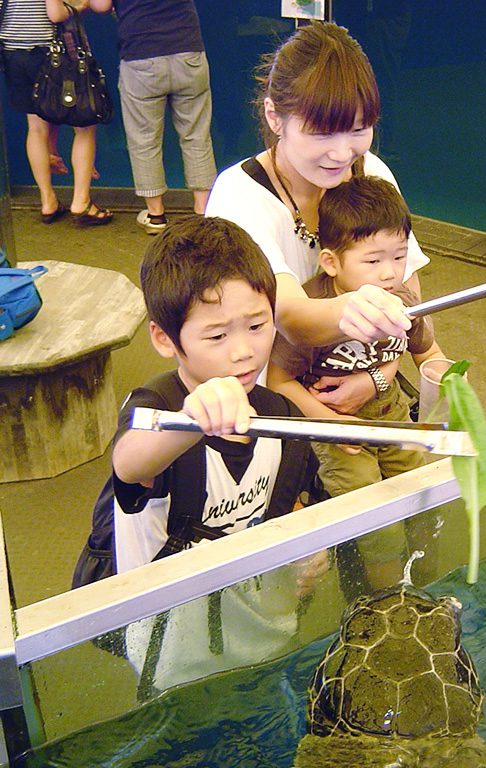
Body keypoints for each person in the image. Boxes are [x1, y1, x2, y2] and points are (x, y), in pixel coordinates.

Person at [82, 215, 325, 692]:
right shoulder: (155, 412)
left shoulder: (280, 415)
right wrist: (192, 419)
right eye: (216, 336)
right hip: (175, 671)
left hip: (270, 646)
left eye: (258, 325)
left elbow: (302, 505)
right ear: (164, 339)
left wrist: (310, 555)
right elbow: (129, 465)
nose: (244, 352)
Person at [205, 21, 420, 416]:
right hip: (262, 403)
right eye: (321, 133)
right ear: (274, 116)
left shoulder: (370, 171)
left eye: (359, 129)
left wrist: (378, 378)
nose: (342, 153)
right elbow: (291, 319)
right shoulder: (239, 194)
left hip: (364, 382)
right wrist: (351, 311)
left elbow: (407, 293)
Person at [268, 176, 445, 588]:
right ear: (332, 262)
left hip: (394, 417)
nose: (389, 274)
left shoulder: (402, 298)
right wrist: (332, 424)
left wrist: (441, 374)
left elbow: (420, 348)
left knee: (423, 499)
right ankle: (387, 602)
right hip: (339, 437)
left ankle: (424, 587)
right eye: (373, 261)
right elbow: (278, 380)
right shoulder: (315, 312)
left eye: (399, 257)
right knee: (376, 524)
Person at [87, 0, 217, 233]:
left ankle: (156, 216)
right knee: (196, 136)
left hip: (141, 56)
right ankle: (203, 211)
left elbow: (101, 5)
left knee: (144, 140)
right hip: (188, 51)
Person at [0, 0, 112, 225]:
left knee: (36, 128)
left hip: (12, 51)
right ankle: (81, 202)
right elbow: (56, 14)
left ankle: (47, 200)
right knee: (84, 125)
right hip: (48, 52)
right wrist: (80, 7)